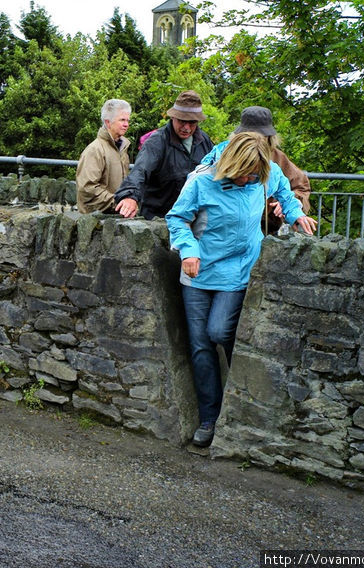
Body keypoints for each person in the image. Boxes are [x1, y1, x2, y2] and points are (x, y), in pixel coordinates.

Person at [166, 132, 317, 447]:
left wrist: (296, 214)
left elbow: (285, 191)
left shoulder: (265, 173)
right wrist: (188, 249)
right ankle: (211, 418)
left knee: (220, 331)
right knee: (200, 348)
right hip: (197, 271)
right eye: (244, 174)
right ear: (231, 164)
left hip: (238, 269)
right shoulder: (201, 181)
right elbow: (177, 219)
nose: (249, 179)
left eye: (254, 176)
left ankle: (241, 404)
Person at [197, 106, 311, 234]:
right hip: (223, 230)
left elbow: (301, 187)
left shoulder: (278, 159)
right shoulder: (220, 155)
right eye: (249, 136)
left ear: (269, 137)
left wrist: (288, 205)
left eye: (261, 136)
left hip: (265, 230)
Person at [114, 90, 213, 219]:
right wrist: (129, 196)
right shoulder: (157, 142)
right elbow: (140, 170)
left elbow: (216, 172)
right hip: (159, 218)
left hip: (194, 218)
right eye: (182, 121)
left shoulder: (204, 141)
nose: (187, 128)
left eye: (192, 122)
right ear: (173, 117)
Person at [75, 99, 131, 214]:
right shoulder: (95, 150)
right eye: (122, 120)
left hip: (115, 218)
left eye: (127, 120)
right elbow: (87, 189)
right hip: (96, 223)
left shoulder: (122, 149)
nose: (126, 124)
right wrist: (118, 202)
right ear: (108, 122)